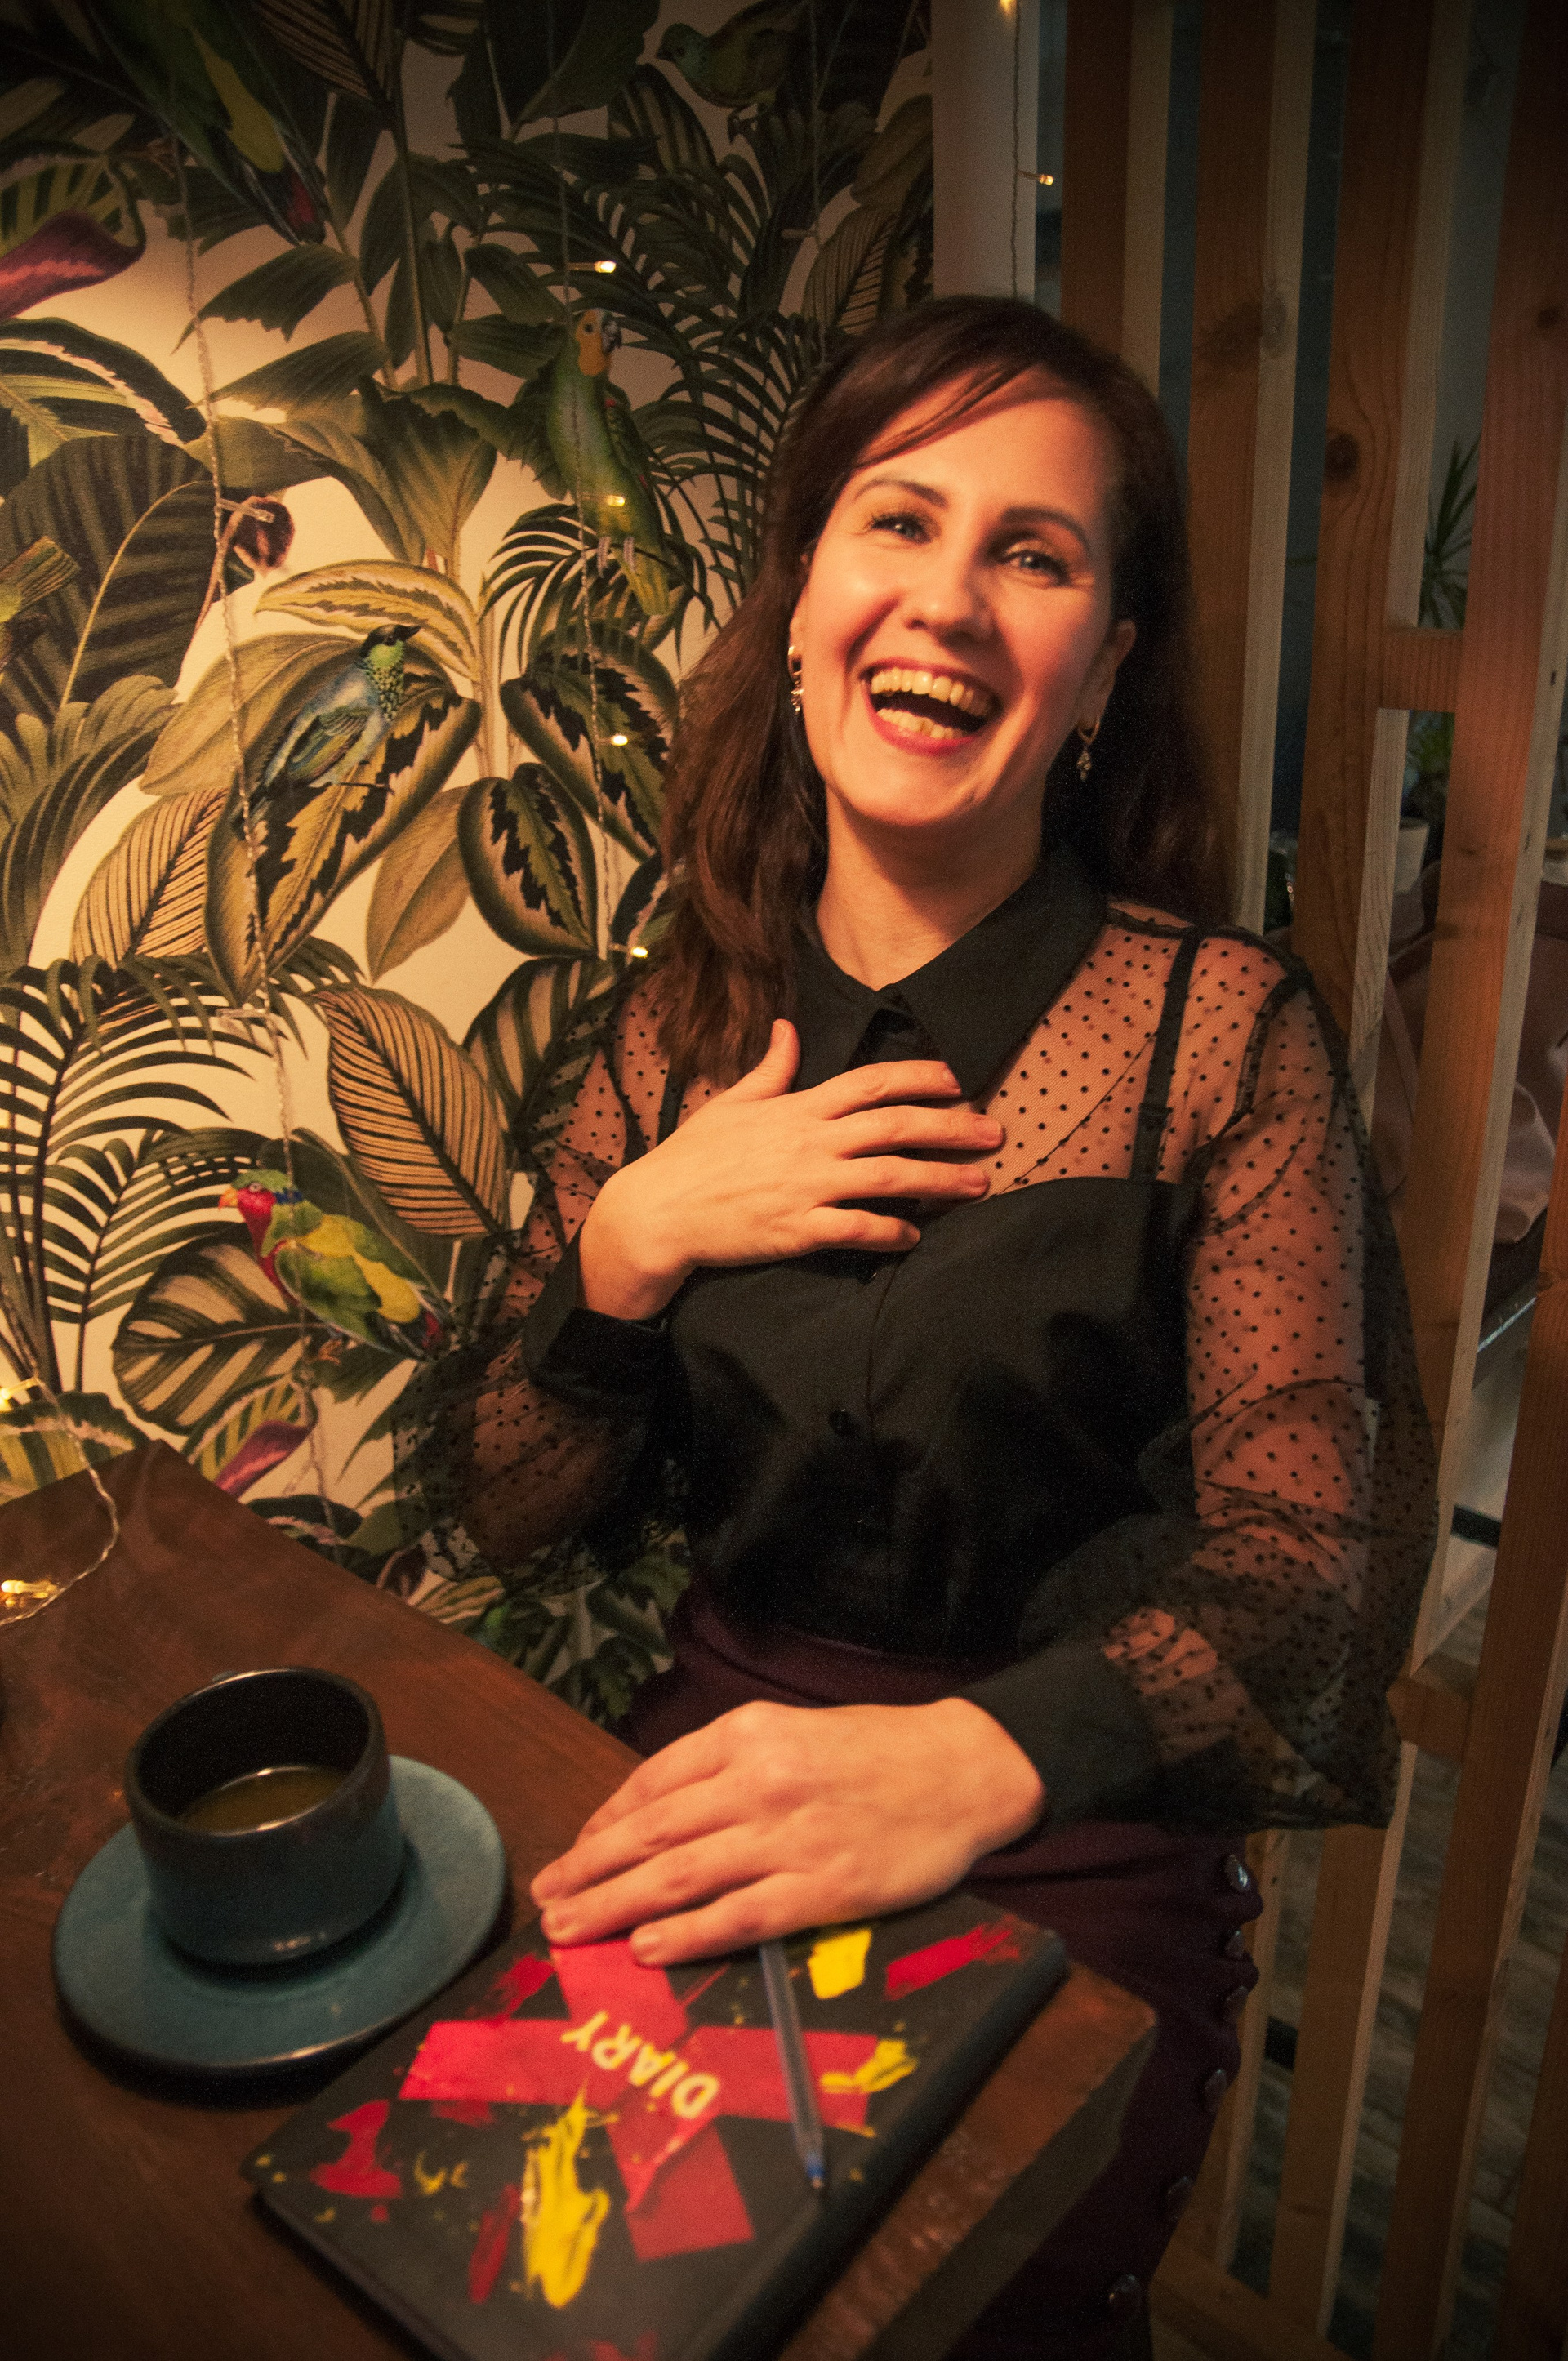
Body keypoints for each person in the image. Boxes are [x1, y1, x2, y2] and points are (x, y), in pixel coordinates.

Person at [404, 296, 1434, 2358]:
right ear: (804, 606)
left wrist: (983, 1755)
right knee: (538, 2278)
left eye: (1032, 555)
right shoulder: (678, 1033)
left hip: (1071, 1813)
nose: (948, 600)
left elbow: (1315, 1576)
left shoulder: (1218, 1036)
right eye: (899, 520)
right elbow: (506, 1506)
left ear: (1103, 667)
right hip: (718, 1776)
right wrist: (624, 1246)